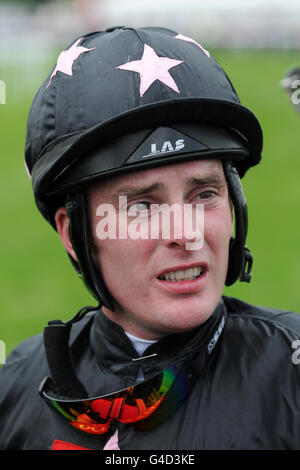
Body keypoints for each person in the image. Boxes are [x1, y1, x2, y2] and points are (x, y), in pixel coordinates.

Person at [0, 26, 299, 451]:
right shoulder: (13, 389)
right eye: (142, 206)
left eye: (205, 194)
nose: (185, 233)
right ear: (74, 233)